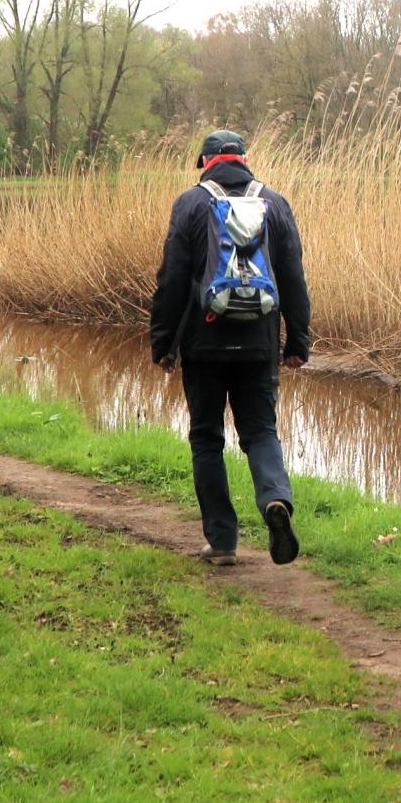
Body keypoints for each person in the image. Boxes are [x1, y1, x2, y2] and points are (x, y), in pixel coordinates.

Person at [149, 130, 312, 566]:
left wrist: (163, 343)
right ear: (245, 160)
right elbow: (293, 279)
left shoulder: (190, 203)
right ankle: (275, 501)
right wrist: (298, 340)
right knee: (260, 432)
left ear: (204, 162)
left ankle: (222, 542)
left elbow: (172, 281)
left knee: (206, 439)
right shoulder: (274, 203)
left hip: (203, 343)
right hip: (259, 341)